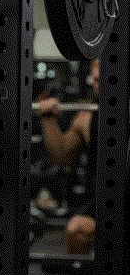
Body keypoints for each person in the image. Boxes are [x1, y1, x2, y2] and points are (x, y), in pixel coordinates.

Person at [34, 58, 100, 260]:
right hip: (101, 198)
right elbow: (63, 157)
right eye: (95, 79)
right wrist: (48, 119)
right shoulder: (86, 118)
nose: (96, 83)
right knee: (76, 230)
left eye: (102, 78)